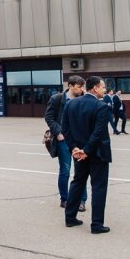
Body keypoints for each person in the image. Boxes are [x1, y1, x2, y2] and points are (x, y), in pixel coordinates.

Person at [62, 76, 112, 234]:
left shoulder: (71, 104)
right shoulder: (101, 106)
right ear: (95, 88)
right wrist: (86, 150)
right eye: (103, 87)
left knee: (77, 182)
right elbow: (98, 133)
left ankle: (70, 218)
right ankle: (96, 225)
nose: (104, 90)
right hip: (97, 154)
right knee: (98, 187)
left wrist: (74, 148)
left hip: (79, 154)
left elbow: (66, 128)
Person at [44, 75, 88, 211]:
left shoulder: (83, 99)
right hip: (63, 140)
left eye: (83, 87)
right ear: (70, 86)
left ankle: (81, 201)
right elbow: (49, 117)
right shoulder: (57, 99)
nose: (82, 89)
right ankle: (65, 199)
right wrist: (58, 133)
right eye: (79, 86)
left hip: (79, 140)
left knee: (80, 171)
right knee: (65, 171)